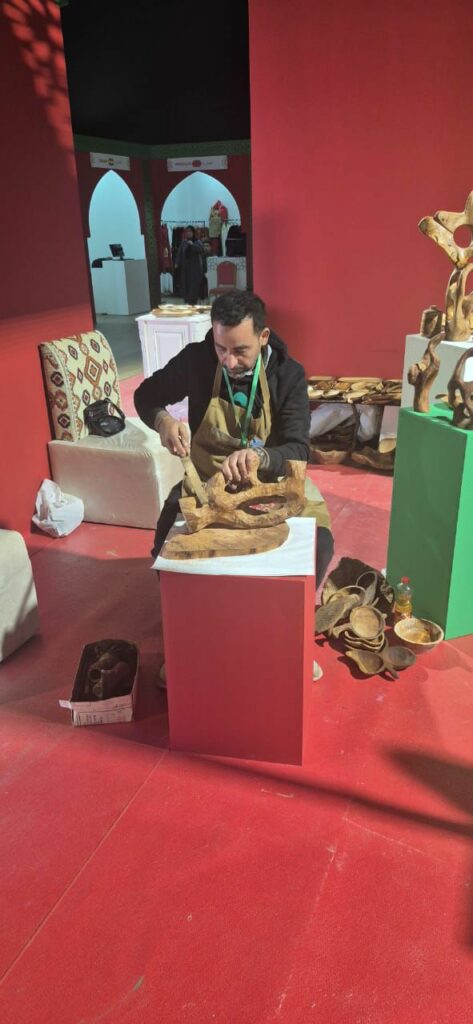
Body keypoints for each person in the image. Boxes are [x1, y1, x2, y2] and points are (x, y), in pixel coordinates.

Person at [134, 289, 334, 583]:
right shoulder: (196, 360)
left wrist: (261, 457)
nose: (229, 362)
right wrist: (162, 420)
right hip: (206, 480)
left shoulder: (288, 375)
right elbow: (146, 396)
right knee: (166, 553)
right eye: (221, 349)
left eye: (240, 351)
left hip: (271, 483)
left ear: (263, 337)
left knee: (320, 547)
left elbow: (299, 451)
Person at [174, 226, 206, 305]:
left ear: (193, 233)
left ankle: (193, 302)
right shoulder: (183, 242)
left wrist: (192, 245)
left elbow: (201, 250)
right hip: (186, 268)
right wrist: (176, 263)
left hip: (195, 269)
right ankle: (187, 302)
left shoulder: (197, 242)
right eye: (187, 232)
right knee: (186, 285)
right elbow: (179, 253)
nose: (188, 233)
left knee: (193, 286)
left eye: (190, 231)